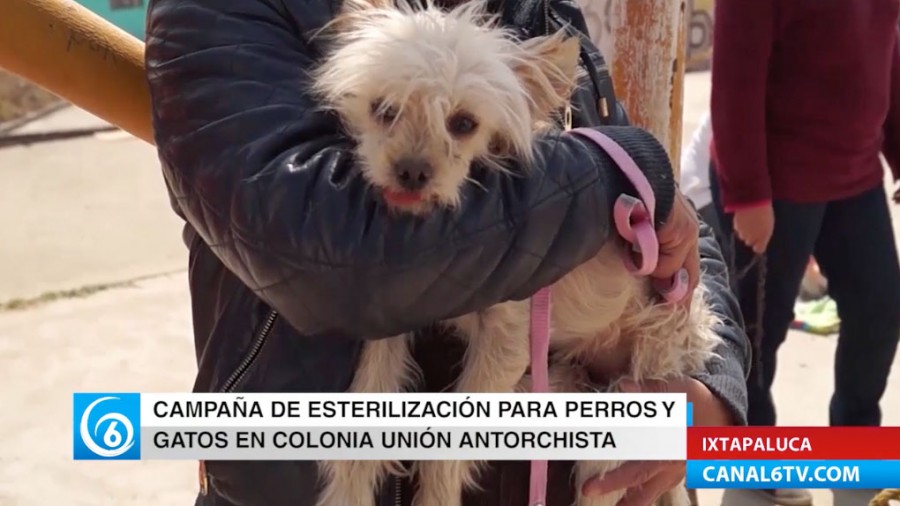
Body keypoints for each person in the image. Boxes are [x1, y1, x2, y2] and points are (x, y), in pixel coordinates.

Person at [144, 0, 751, 504]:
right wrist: (619, 167)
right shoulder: (235, 11)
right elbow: (321, 257)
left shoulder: (539, 17)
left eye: (460, 126)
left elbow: (668, 225)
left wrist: (710, 391)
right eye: (385, 112)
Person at [711, 0, 900, 503]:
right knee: (758, 333)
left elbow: (888, 53)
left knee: (879, 313)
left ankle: (856, 448)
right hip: (775, 181)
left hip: (855, 177)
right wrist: (749, 192)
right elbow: (734, 78)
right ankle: (756, 460)